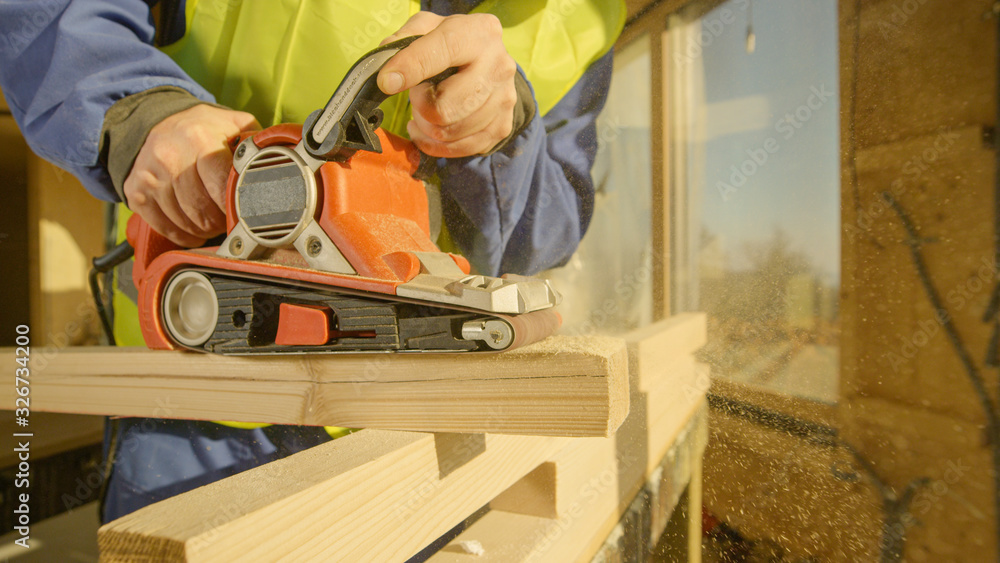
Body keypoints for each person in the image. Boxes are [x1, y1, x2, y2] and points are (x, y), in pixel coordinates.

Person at [0, 0, 625, 523]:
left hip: (415, 417)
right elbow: (50, 19)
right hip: (189, 399)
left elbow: (549, 230)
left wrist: (497, 133)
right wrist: (137, 111)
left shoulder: (587, 14)